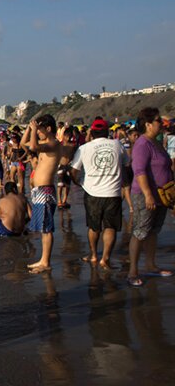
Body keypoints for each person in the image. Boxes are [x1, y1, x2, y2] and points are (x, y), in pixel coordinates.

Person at [70, 118, 128, 270]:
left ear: (92, 132)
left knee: (94, 227)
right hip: (113, 192)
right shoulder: (118, 145)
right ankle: (105, 259)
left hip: (92, 192)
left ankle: (94, 255)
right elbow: (127, 167)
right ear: (107, 131)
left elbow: (74, 171)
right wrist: (125, 183)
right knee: (110, 227)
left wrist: (80, 182)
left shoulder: (84, 148)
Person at [127, 107, 174, 287]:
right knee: (140, 231)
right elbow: (139, 171)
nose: (161, 124)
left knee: (153, 231)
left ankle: (151, 265)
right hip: (145, 194)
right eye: (158, 121)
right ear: (148, 124)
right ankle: (132, 271)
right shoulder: (142, 144)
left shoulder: (155, 142)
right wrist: (148, 195)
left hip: (161, 194)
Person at [20, 115, 61, 274]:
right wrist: (30, 129)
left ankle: (46, 262)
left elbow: (33, 148)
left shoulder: (53, 143)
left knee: (47, 228)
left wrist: (34, 130)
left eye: (40, 130)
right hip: (39, 190)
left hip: (46, 190)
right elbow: (24, 144)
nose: (37, 134)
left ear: (48, 129)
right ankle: (43, 260)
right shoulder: (43, 143)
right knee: (43, 227)